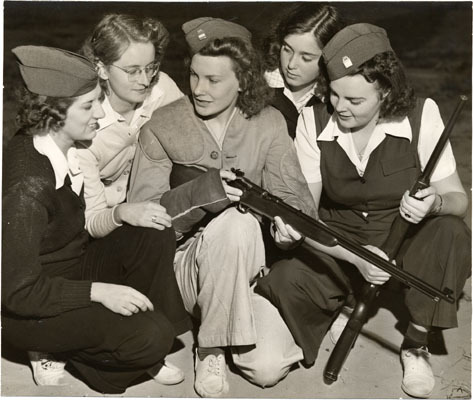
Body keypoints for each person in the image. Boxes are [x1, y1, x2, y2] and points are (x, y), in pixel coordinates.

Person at [256, 23, 471, 399]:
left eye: (355, 101)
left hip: (404, 242)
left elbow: (458, 199)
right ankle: (342, 307)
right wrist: (354, 257)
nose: (339, 107)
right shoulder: (313, 119)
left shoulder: (423, 116)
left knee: (451, 231)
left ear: (385, 92)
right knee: (286, 278)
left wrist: (434, 203)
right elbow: (307, 212)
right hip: (340, 242)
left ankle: (416, 341)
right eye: (335, 95)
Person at [127, 17, 316, 398]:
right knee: (235, 223)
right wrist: (204, 193)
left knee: (266, 370)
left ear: (244, 80)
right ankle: (210, 349)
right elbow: (142, 224)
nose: (199, 89)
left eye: (214, 80)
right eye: (195, 76)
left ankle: (218, 321)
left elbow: (297, 201)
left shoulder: (268, 123)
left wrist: (290, 229)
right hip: (181, 273)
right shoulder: (163, 125)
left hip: (245, 272)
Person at [2, 45, 191, 394]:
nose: (100, 116)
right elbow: (17, 292)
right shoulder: (28, 184)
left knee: (153, 230)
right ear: (54, 113)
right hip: (29, 307)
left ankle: (136, 339)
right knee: (152, 337)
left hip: (69, 271)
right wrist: (98, 292)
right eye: (89, 106)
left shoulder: (61, 147)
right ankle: (71, 354)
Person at [76, 14, 183, 238]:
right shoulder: (85, 126)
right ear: (102, 69)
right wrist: (122, 213)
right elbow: (92, 222)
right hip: (100, 222)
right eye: (132, 71)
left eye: (150, 67)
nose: (145, 80)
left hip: (150, 201)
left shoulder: (161, 88)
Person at [262, 3, 345, 139]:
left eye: (306, 58)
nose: (291, 64)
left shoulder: (334, 101)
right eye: (287, 49)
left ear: (328, 60)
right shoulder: (257, 84)